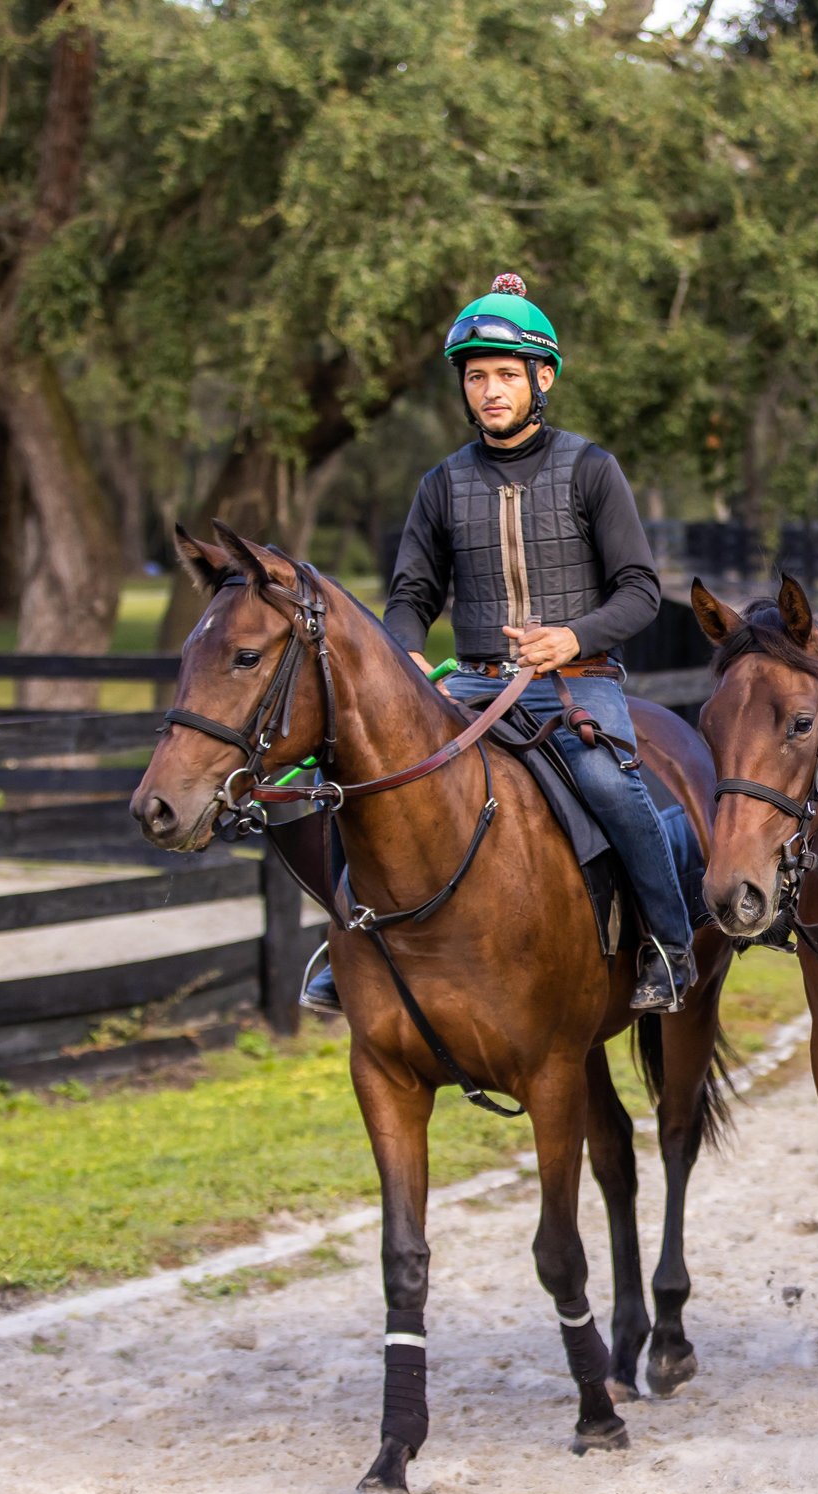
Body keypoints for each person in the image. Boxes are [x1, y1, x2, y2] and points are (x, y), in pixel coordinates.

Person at [301, 273, 696, 1016]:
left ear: (542, 378)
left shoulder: (591, 469)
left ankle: (669, 947)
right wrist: (406, 651)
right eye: (476, 377)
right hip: (473, 683)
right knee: (364, 770)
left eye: (506, 376)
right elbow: (411, 595)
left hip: (577, 680)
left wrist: (571, 635)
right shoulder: (441, 484)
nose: (489, 391)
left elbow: (640, 590)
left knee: (612, 785)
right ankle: (346, 938)